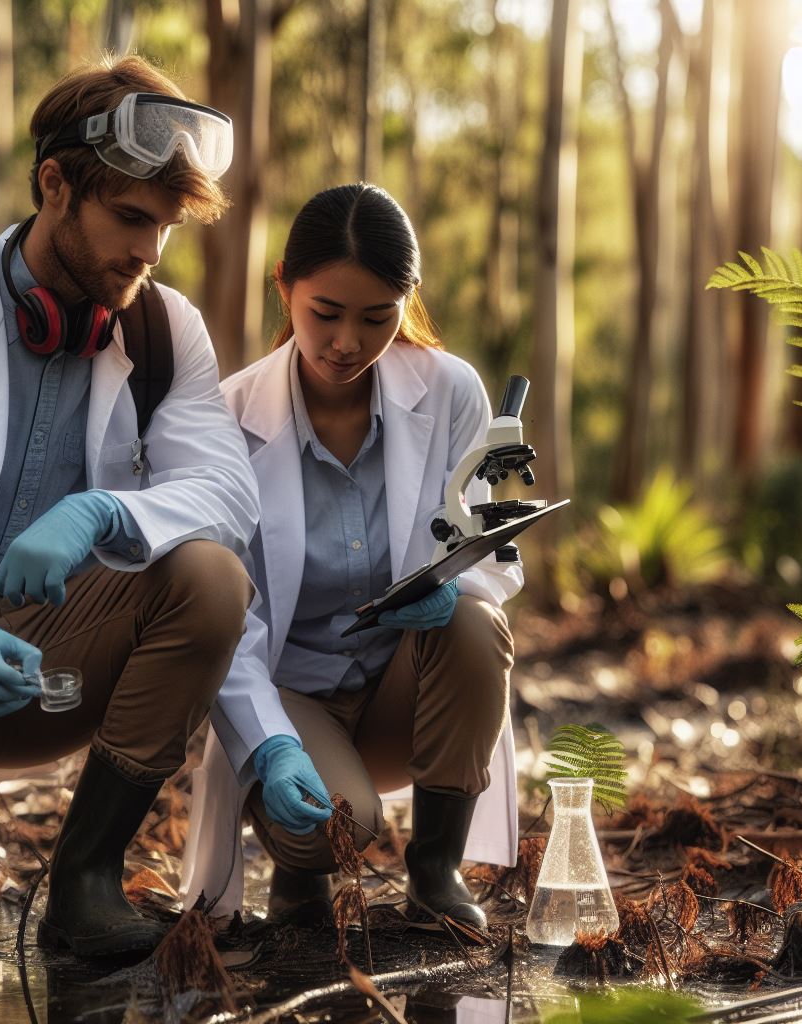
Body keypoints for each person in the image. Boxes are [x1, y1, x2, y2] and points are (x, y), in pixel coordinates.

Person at [0, 55, 259, 957]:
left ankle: (88, 877)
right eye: (131, 218)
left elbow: (229, 493)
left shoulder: (162, 328)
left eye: (166, 227)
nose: (149, 249)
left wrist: (104, 515)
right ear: (55, 185)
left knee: (211, 578)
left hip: (53, 656)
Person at [183, 183, 522, 930]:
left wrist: (461, 580)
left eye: (376, 318)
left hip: (403, 691)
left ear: (408, 301)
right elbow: (225, 619)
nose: (347, 342)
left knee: (473, 622)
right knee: (333, 830)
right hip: (289, 698)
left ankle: (435, 873)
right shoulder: (231, 420)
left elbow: (497, 554)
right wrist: (270, 749)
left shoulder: (450, 390)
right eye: (324, 314)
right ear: (284, 286)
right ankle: (299, 872)